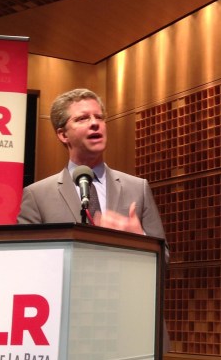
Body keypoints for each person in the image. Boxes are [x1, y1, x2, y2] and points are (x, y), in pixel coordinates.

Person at [17, 88, 167, 248]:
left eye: (99, 117)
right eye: (82, 118)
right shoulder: (37, 196)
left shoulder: (137, 188)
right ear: (63, 135)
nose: (95, 123)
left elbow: (163, 257)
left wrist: (141, 239)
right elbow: (25, 256)